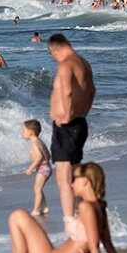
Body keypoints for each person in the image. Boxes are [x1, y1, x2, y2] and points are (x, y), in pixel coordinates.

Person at [48, 34, 96, 222]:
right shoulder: (84, 63)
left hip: (67, 127)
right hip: (80, 123)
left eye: (53, 55)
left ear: (56, 49)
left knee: (64, 178)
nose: (55, 59)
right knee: (75, 174)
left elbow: (67, 91)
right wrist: (83, 111)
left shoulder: (66, 64)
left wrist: (67, 115)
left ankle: (71, 222)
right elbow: (92, 91)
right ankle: (81, 216)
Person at [22, 119, 51, 216]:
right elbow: (48, 155)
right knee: (38, 188)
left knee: (37, 189)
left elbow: (39, 157)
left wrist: (30, 168)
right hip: (46, 167)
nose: (22, 133)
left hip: (43, 168)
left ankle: (36, 210)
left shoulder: (34, 143)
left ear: (30, 132)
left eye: (23, 130)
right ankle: (45, 207)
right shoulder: (40, 142)